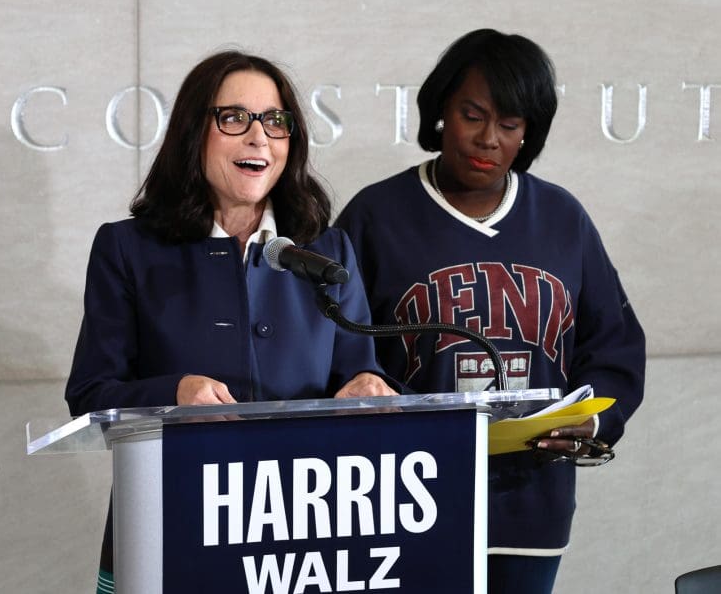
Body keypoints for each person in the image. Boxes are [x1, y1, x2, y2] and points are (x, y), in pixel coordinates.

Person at [65, 50, 397, 593]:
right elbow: (89, 393)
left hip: (307, 535)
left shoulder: (326, 251)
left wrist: (368, 384)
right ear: (195, 133)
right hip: (170, 525)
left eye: (275, 121)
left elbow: (357, 375)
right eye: (235, 118)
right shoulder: (127, 250)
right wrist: (175, 395)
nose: (259, 137)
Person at [335, 29, 645, 594]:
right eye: (472, 115)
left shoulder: (561, 217)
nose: (488, 139)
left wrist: (596, 419)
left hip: (531, 506)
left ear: (529, 132)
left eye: (510, 124)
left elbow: (614, 344)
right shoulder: (376, 215)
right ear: (440, 112)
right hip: (406, 501)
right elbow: (333, 344)